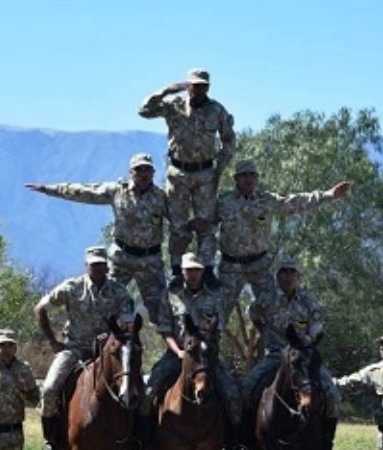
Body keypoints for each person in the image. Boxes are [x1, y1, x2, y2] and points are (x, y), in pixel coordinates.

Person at [25, 153, 168, 325]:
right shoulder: (117, 191)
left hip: (150, 260)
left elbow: (181, 219)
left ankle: (174, 351)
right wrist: (49, 189)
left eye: (147, 169)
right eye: (139, 169)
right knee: (105, 303)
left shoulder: (162, 197)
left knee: (161, 310)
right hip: (121, 258)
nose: (143, 173)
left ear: (153, 172)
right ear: (131, 172)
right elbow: (83, 191)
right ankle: (99, 348)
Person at [215, 159, 352, 323]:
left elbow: (293, 203)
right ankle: (208, 347)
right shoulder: (223, 202)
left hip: (259, 265)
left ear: (257, 178)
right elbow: (205, 225)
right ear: (236, 178)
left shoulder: (266, 200)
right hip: (231, 266)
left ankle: (275, 347)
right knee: (217, 316)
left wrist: (328, 195)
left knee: (273, 311)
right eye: (244, 175)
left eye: (252, 175)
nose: (248, 179)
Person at [138, 68, 235, 286]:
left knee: (206, 223)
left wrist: (220, 168)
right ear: (187, 85)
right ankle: (176, 269)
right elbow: (144, 110)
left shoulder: (216, 110)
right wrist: (165, 91)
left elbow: (229, 140)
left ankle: (208, 269)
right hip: (178, 173)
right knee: (178, 223)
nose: (198, 90)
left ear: (208, 87)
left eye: (202, 86)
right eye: (194, 85)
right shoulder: (174, 106)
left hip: (205, 173)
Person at [140, 253, 245, 450]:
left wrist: (207, 348)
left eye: (197, 270)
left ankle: (234, 441)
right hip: (177, 354)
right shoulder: (171, 295)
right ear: (182, 272)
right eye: (189, 270)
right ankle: (145, 440)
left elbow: (218, 329)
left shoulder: (215, 296)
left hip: (205, 356)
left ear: (203, 271)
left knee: (232, 393)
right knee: (149, 390)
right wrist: (179, 352)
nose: (193, 274)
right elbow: (165, 330)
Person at [33, 246, 135, 449]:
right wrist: (53, 341)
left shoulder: (119, 292)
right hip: (75, 349)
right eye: (93, 265)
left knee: (134, 386)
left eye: (101, 265)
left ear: (107, 266)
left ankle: (136, 437)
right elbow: (40, 308)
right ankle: (51, 439)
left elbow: (128, 325)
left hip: (108, 351)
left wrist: (117, 336)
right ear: (86, 265)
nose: (97, 269)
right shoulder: (71, 287)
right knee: (50, 388)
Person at [243, 256, 340, 449]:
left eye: (292, 272)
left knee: (332, 394)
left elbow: (317, 325)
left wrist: (308, 342)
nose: (288, 276)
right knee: (246, 388)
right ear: (277, 276)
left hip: (302, 356)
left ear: (298, 276)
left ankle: (327, 440)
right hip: (276, 355)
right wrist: (264, 332)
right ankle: (245, 440)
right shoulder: (267, 297)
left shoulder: (308, 299)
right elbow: (252, 313)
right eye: (284, 272)